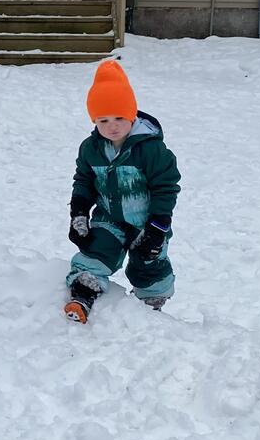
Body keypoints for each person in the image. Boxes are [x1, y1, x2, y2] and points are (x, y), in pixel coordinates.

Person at [64, 60, 180, 323]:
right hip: (110, 218)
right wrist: (79, 212)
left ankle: (151, 307)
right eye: (103, 120)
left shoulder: (150, 149)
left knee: (148, 265)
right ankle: (83, 293)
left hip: (147, 222)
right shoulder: (91, 149)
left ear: (132, 114)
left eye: (119, 117)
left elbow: (166, 186)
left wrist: (158, 226)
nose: (112, 126)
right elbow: (83, 180)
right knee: (96, 251)